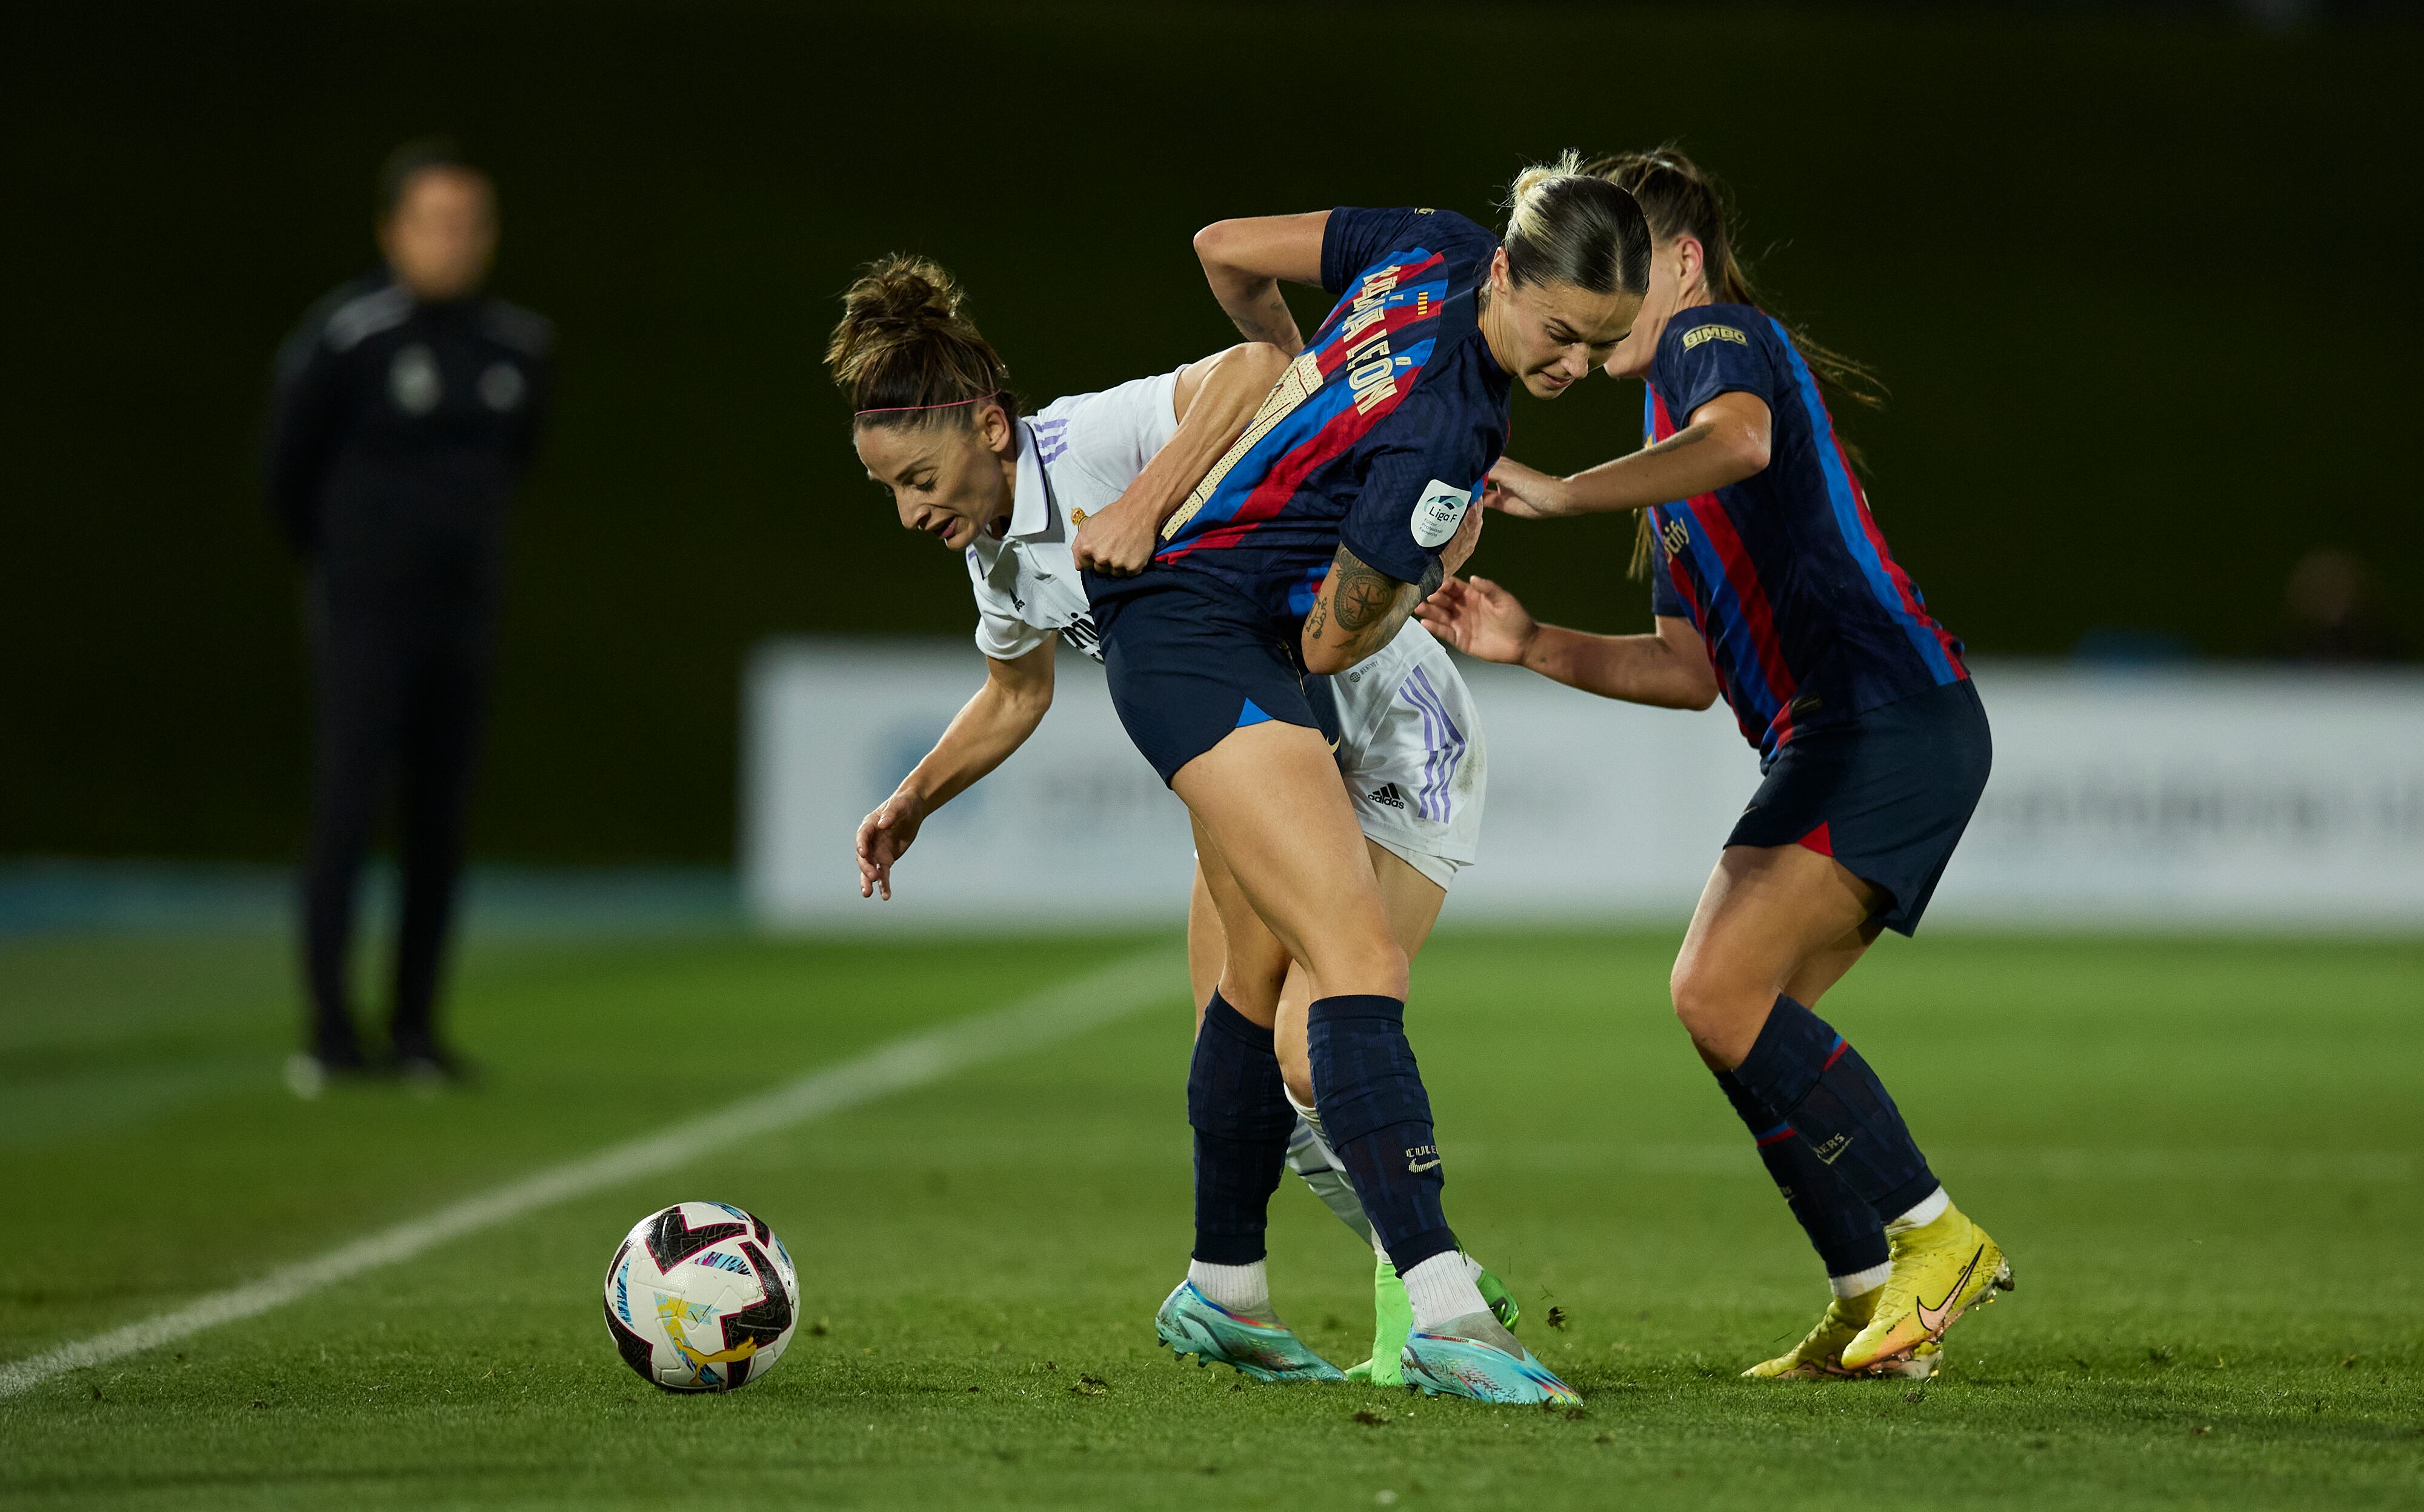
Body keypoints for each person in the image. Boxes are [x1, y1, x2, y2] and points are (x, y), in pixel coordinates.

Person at [824, 256, 1514, 1387]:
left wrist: (1147, 501)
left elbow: (1258, 366)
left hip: (1394, 733)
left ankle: (1428, 1301)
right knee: (1239, 1059)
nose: (911, 511)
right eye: (890, 490)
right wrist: (912, 799)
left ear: (992, 428)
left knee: (1309, 1038)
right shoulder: (998, 550)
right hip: (1272, 740)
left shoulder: (1088, 444)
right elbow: (1016, 693)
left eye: (920, 475)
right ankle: (1231, 1294)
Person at [1417, 147, 2009, 1379]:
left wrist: (1567, 495)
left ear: (1678, 263)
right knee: (1744, 1017)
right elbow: (1688, 669)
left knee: (1713, 992)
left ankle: (1932, 1236)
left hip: (1877, 713)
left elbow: (1739, 443)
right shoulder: (1663, 430)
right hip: (1861, 725)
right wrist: (1527, 641)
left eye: (1621, 263)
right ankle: (1868, 1303)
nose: (1596, 293)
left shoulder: (1712, 342)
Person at [1082, 155, 1650, 1404]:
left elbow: (1223, 243)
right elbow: (1337, 639)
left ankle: (1222, 1288)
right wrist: (1432, 545)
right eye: (1558, 336)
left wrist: (1296, 380)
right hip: (1203, 636)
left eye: (1602, 351)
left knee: (1254, 973)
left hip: (1179, 611)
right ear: (1506, 275)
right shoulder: (1455, 422)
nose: (1569, 371)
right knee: (1357, 959)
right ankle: (1445, 1311)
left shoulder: (1429, 243)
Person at [265, 141, 551, 1096]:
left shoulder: (518, 347)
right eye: (434, 221)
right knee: (346, 810)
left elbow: (517, 466)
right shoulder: (349, 339)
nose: (454, 241)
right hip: (365, 618)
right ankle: (330, 1032)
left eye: (471, 222)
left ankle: (419, 1029)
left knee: (441, 819)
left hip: (463, 617)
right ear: (393, 231)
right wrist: (351, 567)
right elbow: (286, 477)